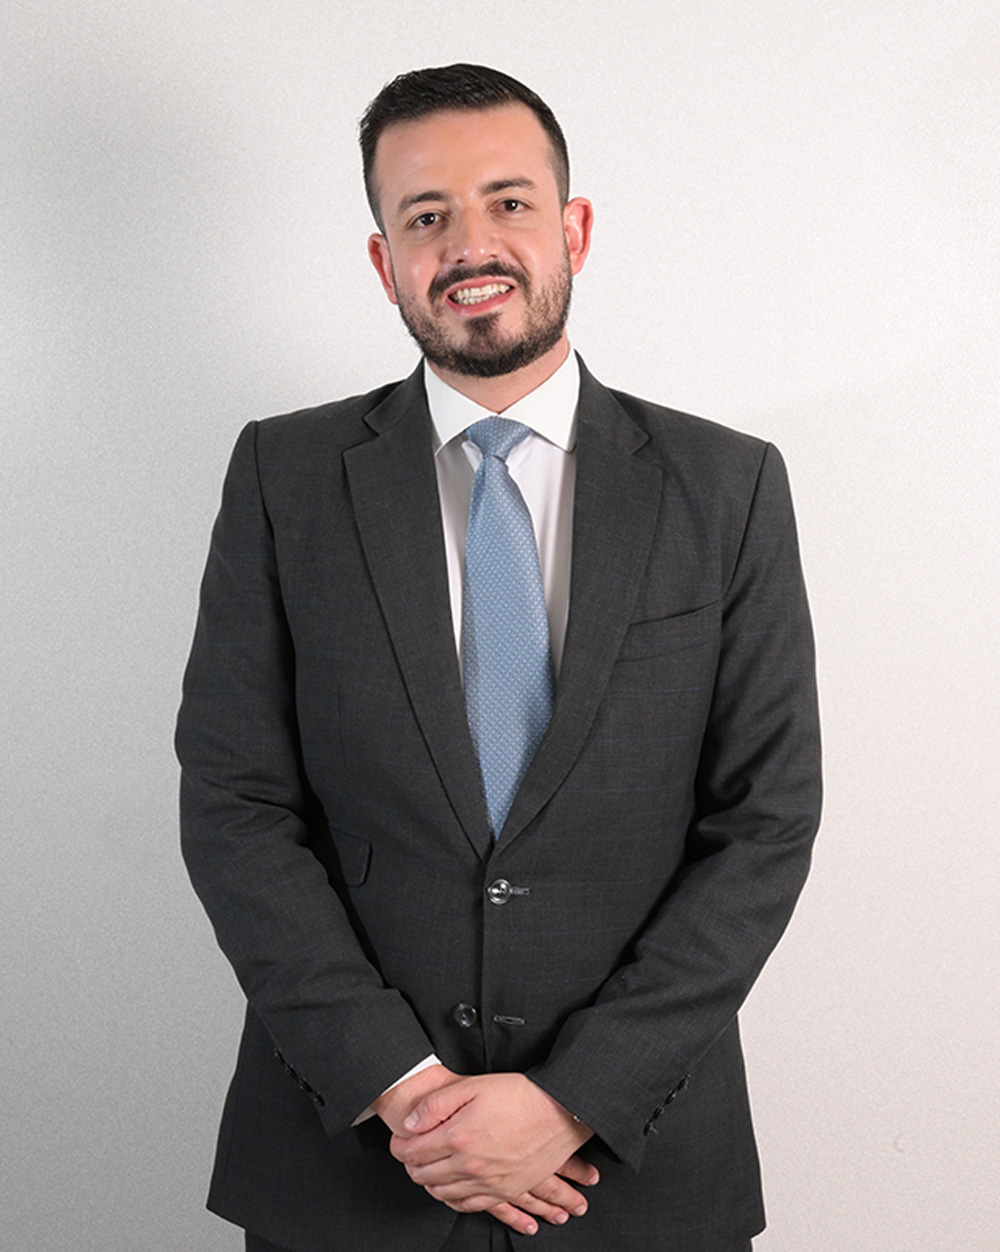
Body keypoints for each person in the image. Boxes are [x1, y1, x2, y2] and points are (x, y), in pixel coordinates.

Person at [176, 63, 821, 1252]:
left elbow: (765, 820)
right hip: (351, 1170)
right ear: (385, 261)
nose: (470, 244)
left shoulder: (726, 486)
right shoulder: (284, 476)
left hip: (635, 1170)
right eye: (427, 215)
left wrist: (576, 1097)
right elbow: (235, 803)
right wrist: (403, 1089)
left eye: (508, 202)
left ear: (574, 229)